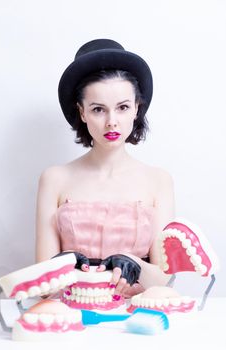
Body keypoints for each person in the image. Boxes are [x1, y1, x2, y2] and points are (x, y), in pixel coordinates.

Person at [35, 39, 175, 298]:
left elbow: (163, 282)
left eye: (122, 107)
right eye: (98, 109)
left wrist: (135, 264)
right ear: (82, 112)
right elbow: (44, 287)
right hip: (70, 317)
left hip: (135, 320)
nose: (112, 122)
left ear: (136, 109)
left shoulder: (159, 181)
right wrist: (65, 264)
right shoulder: (54, 179)